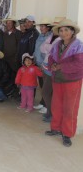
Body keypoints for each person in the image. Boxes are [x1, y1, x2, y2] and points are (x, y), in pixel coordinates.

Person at [45, 19, 83, 147]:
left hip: (72, 81)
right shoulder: (57, 44)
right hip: (58, 80)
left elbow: (79, 64)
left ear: (72, 31)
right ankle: (55, 128)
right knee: (57, 105)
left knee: (70, 108)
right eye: (61, 30)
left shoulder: (78, 45)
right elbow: (51, 58)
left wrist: (60, 66)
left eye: (66, 30)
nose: (63, 32)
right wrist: (53, 66)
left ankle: (67, 134)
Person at [39, 17, 63, 122]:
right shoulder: (52, 36)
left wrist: (47, 47)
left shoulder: (60, 40)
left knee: (46, 92)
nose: (54, 29)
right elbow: (41, 48)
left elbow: (51, 50)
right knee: (47, 92)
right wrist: (48, 47)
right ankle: (50, 112)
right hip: (45, 67)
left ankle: (52, 113)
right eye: (54, 27)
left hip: (52, 70)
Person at [33, 17, 54, 114]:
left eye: (42, 26)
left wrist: (42, 64)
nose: (41, 28)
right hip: (38, 63)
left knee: (47, 86)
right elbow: (37, 48)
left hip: (44, 65)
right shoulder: (40, 36)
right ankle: (42, 102)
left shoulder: (50, 37)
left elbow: (47, 53)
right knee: (42, 85)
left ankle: (47, 106)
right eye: (40, 26)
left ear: (48, 28)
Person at [2, 16, 22, 83]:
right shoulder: (4, 33)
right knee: (7, 76)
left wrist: (16, 58)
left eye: (10, 23)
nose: (8, 24)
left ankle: (16, 92)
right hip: (5, 59)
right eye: (7, 23)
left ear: (13, 24)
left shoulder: (19, 33)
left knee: (15, 78)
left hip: (14, 61)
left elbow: (19, 47)